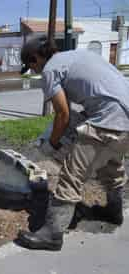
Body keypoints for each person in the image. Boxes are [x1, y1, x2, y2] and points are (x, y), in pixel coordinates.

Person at [16, 37, 129, 251]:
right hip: (124, 121)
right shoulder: (77, 55)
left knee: (72, 175)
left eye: (31, 67)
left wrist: (52, 143)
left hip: (109, 120)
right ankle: (114, 212)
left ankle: (51, 235)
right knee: (111, 163)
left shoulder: (50, 69)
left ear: (35, 58)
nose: (33, 71)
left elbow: (62, 114)